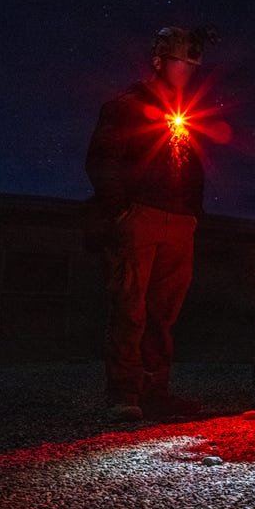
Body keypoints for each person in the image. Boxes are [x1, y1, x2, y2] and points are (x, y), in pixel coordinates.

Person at [85, 25, 228, 421]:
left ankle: (155, 392)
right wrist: (121, 210)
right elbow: (103, 159)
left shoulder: (185, 111)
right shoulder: (127, 105)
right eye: (183, 62)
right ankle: (125, 394)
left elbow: (192, 166)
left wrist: (193, 215)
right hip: (140, 217)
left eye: (193, 65)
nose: (189, 71)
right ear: (160, 61)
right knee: (130, 308)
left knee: (163, 313)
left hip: (179, 222)